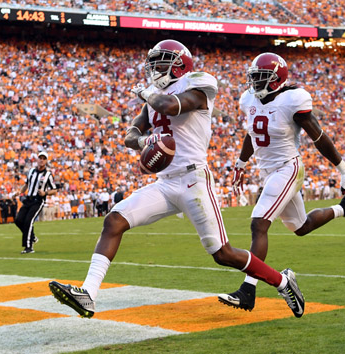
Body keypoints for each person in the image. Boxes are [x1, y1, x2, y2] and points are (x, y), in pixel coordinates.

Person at [49, 40, 304, 319]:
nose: (155, 68)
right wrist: (147, 139)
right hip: (166, 182)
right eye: (155, 62)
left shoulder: (197, 85)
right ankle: (88, 293)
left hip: (194, 179)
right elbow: (130, 135)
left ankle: (282, 281)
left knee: (223, 254)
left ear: (179, 65)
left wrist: (147, 94)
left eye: (162, 62)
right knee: (114, 220)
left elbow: (171, 106)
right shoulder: (153, 97)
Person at [217, 52, 345, 312]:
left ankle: (248, 290)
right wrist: (241, 164)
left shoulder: (292, 100)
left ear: (277, 79)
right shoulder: (249, 99)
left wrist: (344, 169)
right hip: (269, 170)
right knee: (300, 227)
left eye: (261, 77)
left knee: (259, 223)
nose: (255, 83)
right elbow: (252, 134)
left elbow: (318, 136)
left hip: (288, 168)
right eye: (253, 77)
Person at [15, 151, 58, 254]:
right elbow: (26, 184)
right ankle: (32, 237)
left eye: (44, 158)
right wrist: (19, 192)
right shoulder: (31, 171)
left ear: (46, 161)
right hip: (28, 199)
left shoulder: (48, 175)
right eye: (40, 158)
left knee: (28, 221)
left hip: (38, 201)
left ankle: (29, 247)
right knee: (18, 220)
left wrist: (45, 193)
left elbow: (54, 190)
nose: (42, 160)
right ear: (37, 159)